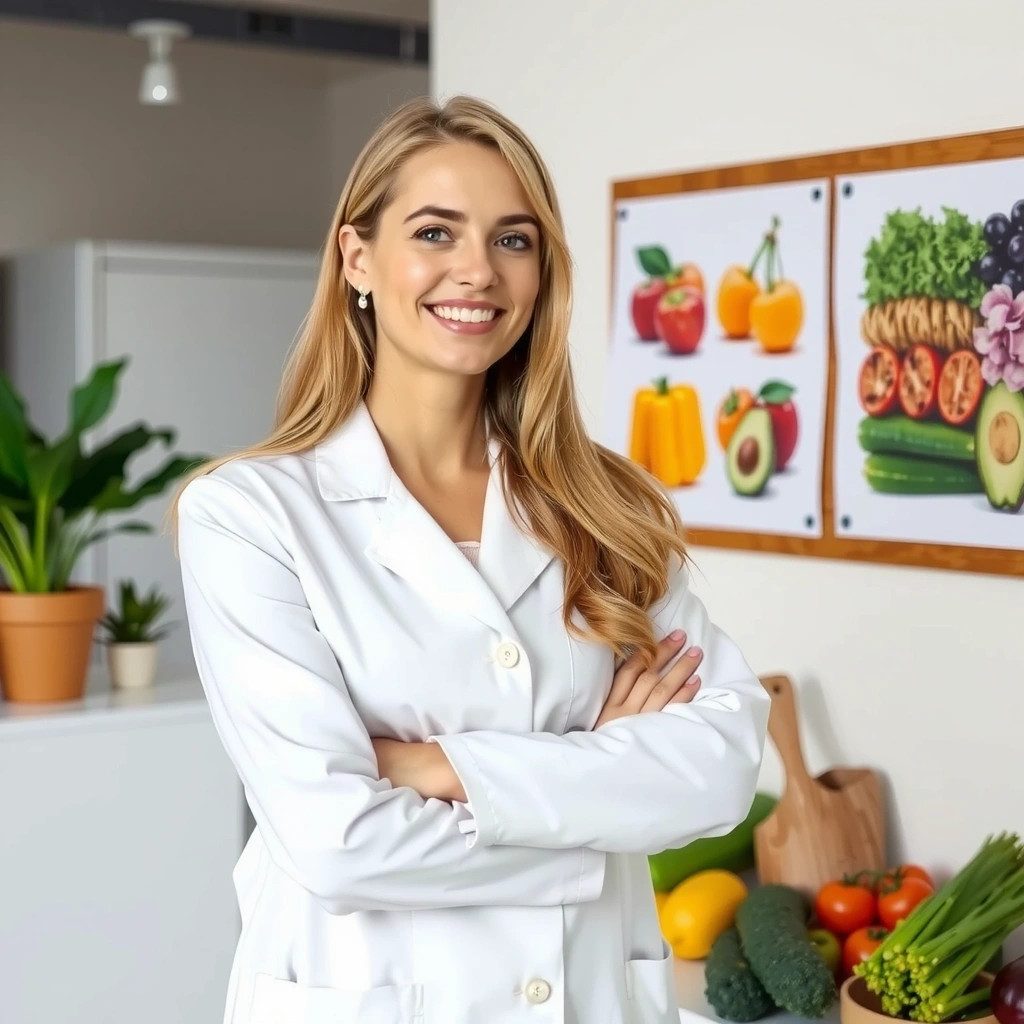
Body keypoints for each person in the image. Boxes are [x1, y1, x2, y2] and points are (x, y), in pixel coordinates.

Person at [172, 93, 770, 1024]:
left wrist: (436, 767)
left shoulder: (606, 508)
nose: (477, 272)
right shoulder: (250, 517)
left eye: (513, 239)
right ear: (358, 257)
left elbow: (722, 767)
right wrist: (599, 794)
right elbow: (338, 842)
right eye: (436, 232)